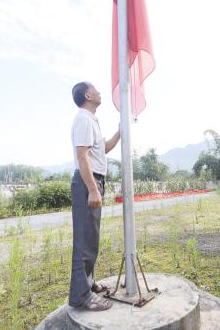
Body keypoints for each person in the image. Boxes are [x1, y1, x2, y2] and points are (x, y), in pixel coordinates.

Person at [68, 81, 120, 311]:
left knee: (91, 239)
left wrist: (120, 132)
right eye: (96, 90)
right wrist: (92, 188)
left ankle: (87, 285)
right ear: (88, 95)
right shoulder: (83, 119)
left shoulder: (91, 121)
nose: (100, 93)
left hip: (94, 180)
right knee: (85, 241)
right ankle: (81, 297)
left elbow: (103, 149)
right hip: (87, 183)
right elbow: (82, 157)